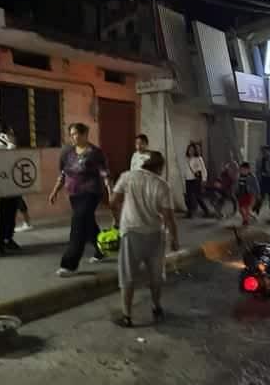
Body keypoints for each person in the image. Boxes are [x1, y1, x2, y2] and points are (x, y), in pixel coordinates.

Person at [110, 151, 179, 328]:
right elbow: (169, 217)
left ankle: (127, 316)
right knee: (156, 275)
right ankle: (157, 308)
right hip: (155, 235)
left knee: (127, 276)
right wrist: (174, 238)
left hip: (131, 233)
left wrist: (117, 220)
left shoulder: (127, 177)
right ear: (160, 167)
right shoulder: (162, 185)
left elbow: (113, 201)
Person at [49, 122, 112, 277]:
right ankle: (101, 250)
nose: (74, 137)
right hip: (74, 194)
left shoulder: (94, 152)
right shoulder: (67, 152)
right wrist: (55, 191)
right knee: (88, 222)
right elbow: (63, 173)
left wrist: (111, 192)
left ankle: (69, 264)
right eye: (71, 134)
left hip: (91, 192)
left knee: (78, 224)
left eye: (77, 134)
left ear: (85, 134)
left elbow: (104, 173)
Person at [0, 121, 21, 255]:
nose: (11, 134)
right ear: (2, 133)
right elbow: (6, 160)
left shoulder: (9, 145)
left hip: (12, 184)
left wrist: (11, 145)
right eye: (9, 131)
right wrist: (10, 145)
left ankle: (9, 238)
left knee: (11, 213)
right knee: (2, 216)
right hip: (1, 186)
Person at [184, 142, 210, 218]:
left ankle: (206, 211)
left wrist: (204, 179)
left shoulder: (199, 158)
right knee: (189, 197)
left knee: (197, 196)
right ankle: (190, 213)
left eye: (192, 150)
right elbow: (186, 170)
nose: (190, 151)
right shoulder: (187, 159)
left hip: (196, 180)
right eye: (189, 149)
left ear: (195, 150)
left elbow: (203, 169)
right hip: (188, 179)